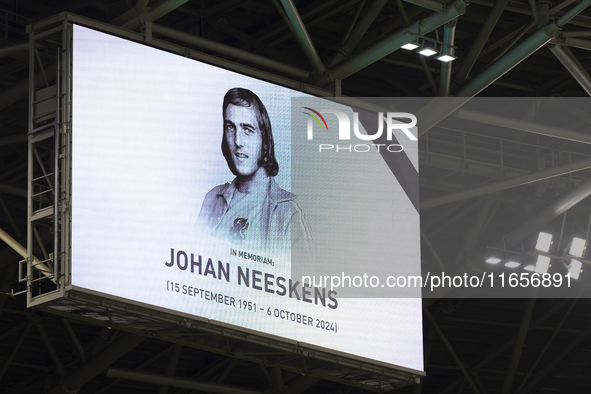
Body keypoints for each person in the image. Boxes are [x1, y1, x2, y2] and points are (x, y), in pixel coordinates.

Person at [197, 88, 312, 252]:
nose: (237, 141)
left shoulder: (288, 214)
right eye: (230, 127)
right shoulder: (212, 199)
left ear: (264, 139)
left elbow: (307, 277)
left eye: (247, 130)